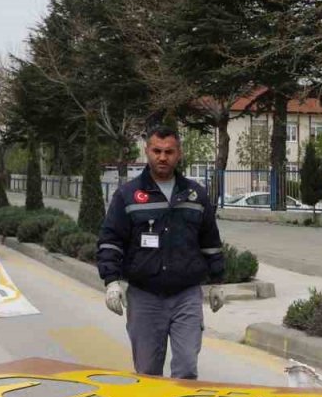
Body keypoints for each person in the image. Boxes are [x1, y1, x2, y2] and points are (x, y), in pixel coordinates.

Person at [97, 127, 226, 380]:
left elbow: (210, 241)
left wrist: (217, 282)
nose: (162, 157)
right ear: (147, 151)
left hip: (186, 296)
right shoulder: (128, 195)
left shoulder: (195, 194)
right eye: (157, 151)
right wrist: (111, 281)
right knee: (147, 373)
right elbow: (111, 240)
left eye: (169, 152)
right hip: (145, 297)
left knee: (187, 368)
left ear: (179, 154)